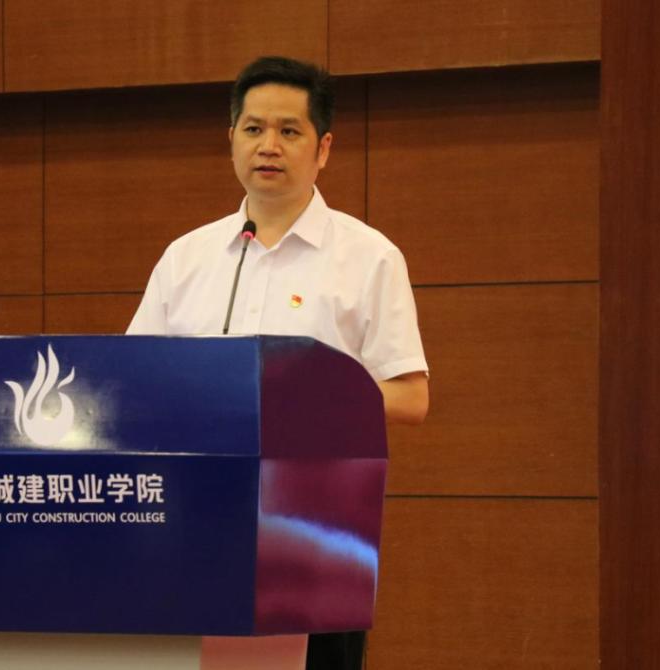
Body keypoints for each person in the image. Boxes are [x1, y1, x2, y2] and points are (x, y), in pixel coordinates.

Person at [126, 56, 430, 669]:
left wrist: (301, 396)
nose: (269, 145)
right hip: (193, 521)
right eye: (254, 128)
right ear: (231, 139)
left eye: (289, 131)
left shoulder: (369, 257)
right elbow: (131, 382)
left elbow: (410, 396)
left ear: (323, 148)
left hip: (317, 533)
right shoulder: (186, 257)